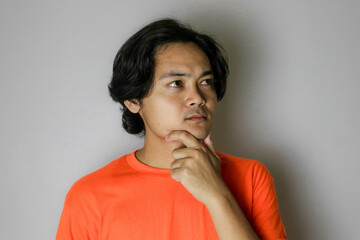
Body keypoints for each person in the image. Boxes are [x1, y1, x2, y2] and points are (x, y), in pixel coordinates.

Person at [56, 18, 287, 240]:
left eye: (206, 82)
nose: (197, 98)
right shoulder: (89, 195)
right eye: (176, 83)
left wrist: (218, 195)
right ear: (134, 100)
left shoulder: (252, 178)